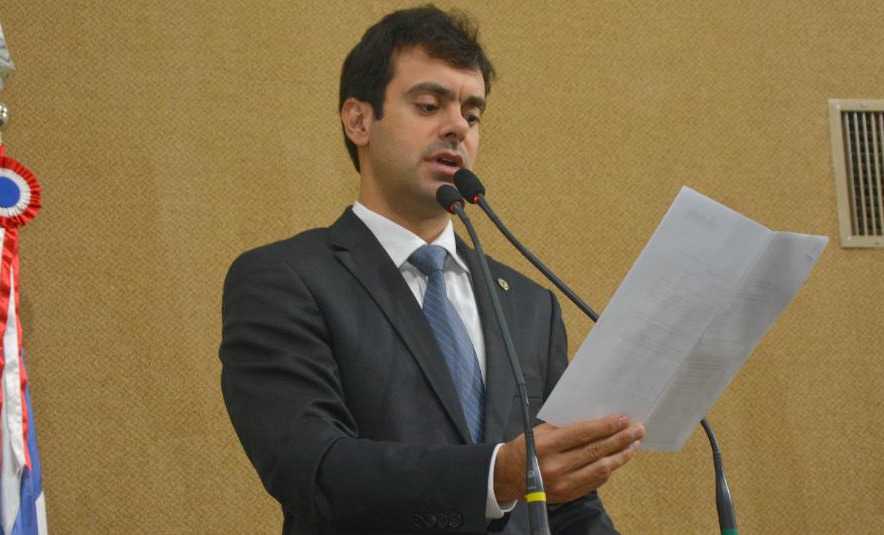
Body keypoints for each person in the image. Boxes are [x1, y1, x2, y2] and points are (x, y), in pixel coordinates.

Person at [220, 6, 644, 534]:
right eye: (428, 105)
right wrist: (495, 476)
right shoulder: (285, 280)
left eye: (473, 114)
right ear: (359, 121)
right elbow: (313, 467)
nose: (457, 127)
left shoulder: (530, 306)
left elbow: (568, 507)